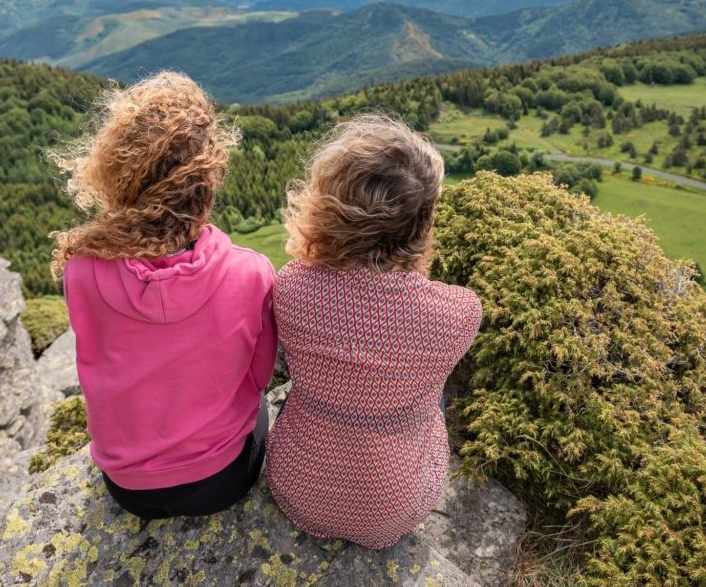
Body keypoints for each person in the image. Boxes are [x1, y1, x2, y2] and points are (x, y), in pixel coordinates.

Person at [51, 71, 277, 520]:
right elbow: (259, 375)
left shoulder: (82, 271)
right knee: (265, 412)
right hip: (222, 479)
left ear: (117, 176)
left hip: (128, 489)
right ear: (207, 182)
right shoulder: (250, 272)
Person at [265, 114, 482, 549]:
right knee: (429, 392)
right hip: (395, 506)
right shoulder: (459, 312)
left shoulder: (290, 285)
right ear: (421, 224)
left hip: (297, 486)